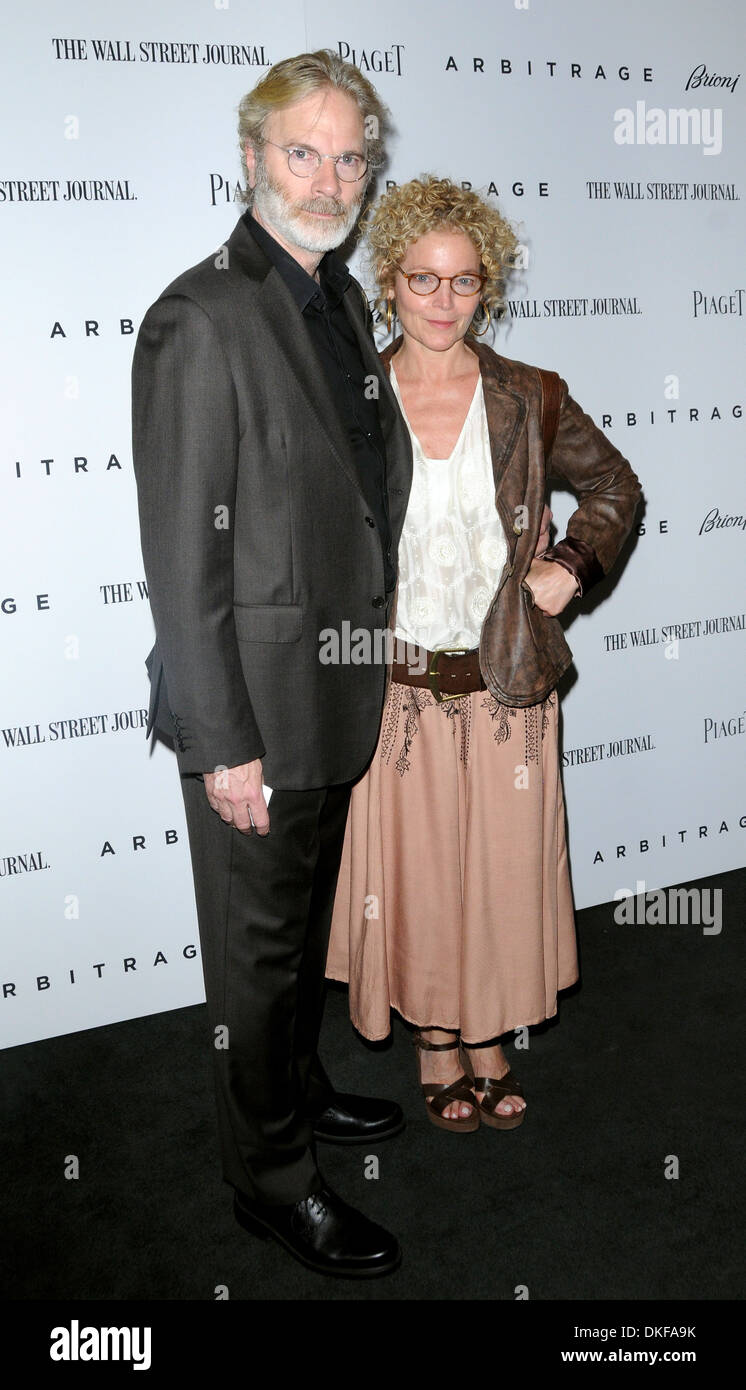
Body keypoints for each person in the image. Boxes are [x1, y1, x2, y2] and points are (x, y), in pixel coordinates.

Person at [131, 51, 417, 1279]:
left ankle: (298, 1084)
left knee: (295, 936)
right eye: (303, 152)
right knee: (253, 960)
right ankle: (271, 1180)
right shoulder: (201, 317)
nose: (329, 176)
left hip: (331, 687)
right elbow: (181, 563)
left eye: (351, 154)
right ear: (251, 157)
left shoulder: (336, 298)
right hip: (254, 711)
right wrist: (222, 739)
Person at [326, 176, 642, 1131]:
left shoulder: (530, 395)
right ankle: (435, 1037)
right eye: (423, 279)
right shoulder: (354, 396)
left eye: (464, 283)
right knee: (420, 878)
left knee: (500, 872)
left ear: (487, 289)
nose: (442, 301)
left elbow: (616, 489)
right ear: (390, 281)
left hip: (509, 683)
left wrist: (569, 569)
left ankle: (491, 1030)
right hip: (399, 693)